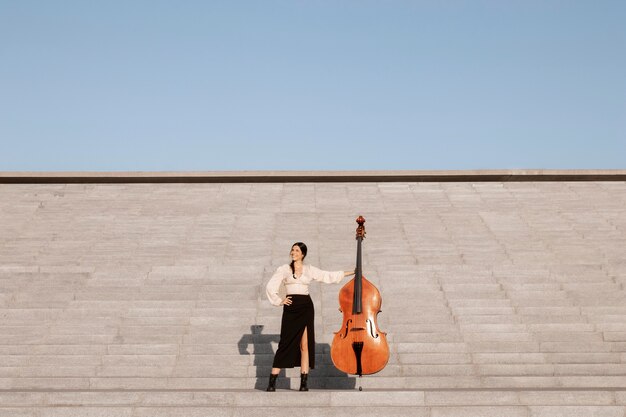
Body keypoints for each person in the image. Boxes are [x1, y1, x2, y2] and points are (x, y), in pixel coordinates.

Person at [265, 242, 354, 391]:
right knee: (285, 344)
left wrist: (350, 272)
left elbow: (327, 276)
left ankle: (304, 383)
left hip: (306, 307)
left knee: (305, 345)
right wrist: (279, 300)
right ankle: (272, 382)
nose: (293, 252)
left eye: (296, 250)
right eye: (292, 250)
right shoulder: (284, 269)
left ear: (303, 254)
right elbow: (270, 286)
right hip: (291, 307)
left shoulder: (309, 269)